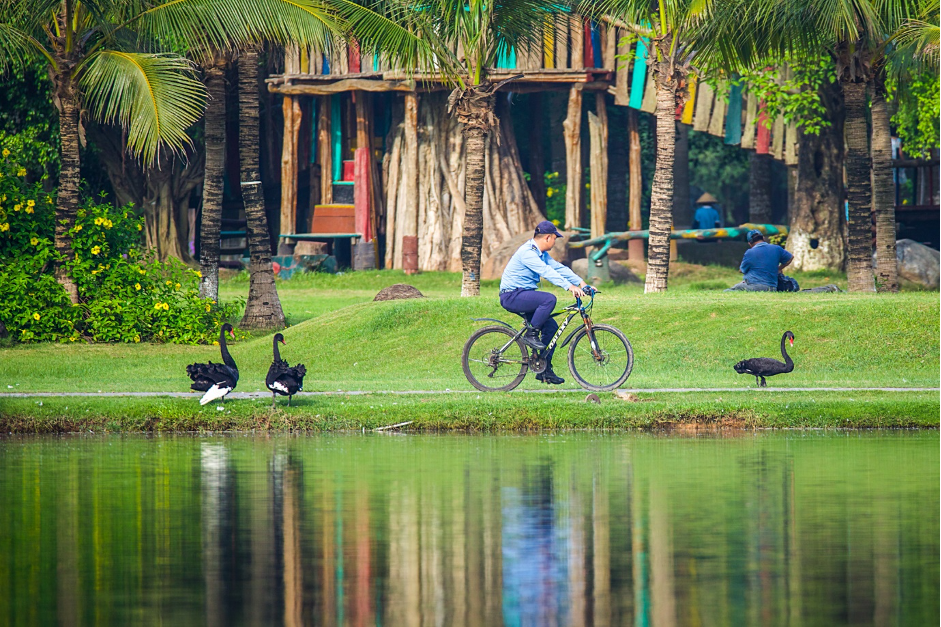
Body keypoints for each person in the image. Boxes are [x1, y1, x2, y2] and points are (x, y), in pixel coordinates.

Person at [500, 221, 591, 385]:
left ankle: (544, 370)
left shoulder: (540, 253)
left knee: (551, 328)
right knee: (549, 299)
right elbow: (546, 272)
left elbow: (558, 268)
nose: (555, 242)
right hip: (512, 295)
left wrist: (581, 283)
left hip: (523, 294)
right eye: (555, 238)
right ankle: (531, 334)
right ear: (548, 237)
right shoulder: (528, 252)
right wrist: (569, 287)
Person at [725, 229, 793, 291]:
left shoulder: (750, 252)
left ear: (749, 243)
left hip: (754, 286)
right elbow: (790, 258)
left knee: (728, 291)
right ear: (763, 238)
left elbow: (742, 270)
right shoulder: (776, 248)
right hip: (772, 287)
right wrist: (779, 268)